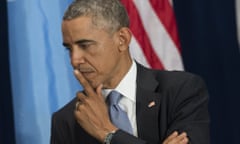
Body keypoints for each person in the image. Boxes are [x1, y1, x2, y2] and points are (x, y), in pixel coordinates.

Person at [50, 0, 210, 144]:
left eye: (85, 45)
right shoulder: (66, 120)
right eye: (69, 49)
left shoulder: (181, 90)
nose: (74, 60)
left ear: (123, 39)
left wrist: (107, 133)